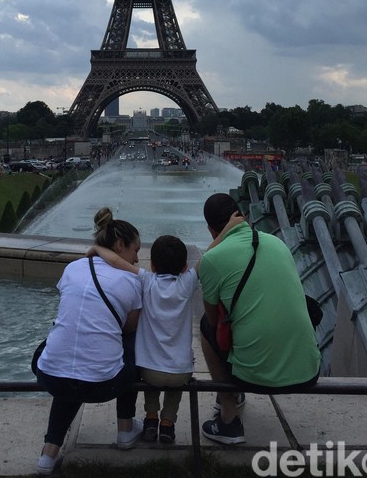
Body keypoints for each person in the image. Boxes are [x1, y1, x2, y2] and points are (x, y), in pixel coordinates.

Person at [198, 193, 321, 446]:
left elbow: (212, 320)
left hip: (255, 376)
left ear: (211, 230)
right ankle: (235, 395)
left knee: (205, 327)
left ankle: (229, 419)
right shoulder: (278, 244)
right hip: (308, 371)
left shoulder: (213, 258)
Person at [34, 207, 143, 475]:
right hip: (105, 385)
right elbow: (130, 327)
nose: (137, 257)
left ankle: (48, 454)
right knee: (134, 343)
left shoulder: (72, 268)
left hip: (49, 376)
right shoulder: (132, 279)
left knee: (69, 358)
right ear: (120, 245)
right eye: (135, 250)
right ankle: (126, 430)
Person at [90, 234, 198, 444]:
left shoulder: (147, 281)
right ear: (185, 266)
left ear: (153, 265)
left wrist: (96, 248)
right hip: (180, 372)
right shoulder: (188, 283)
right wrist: (227, 229)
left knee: (151, 379)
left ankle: (151, 418)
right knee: (176, 385)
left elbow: (116, 261)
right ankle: (167, 423)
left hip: (150, 370)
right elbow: (209, 256)